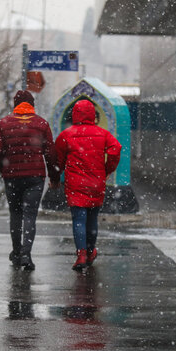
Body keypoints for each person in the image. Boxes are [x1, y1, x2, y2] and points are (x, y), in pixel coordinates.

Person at [0, 90, 59, 270]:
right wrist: (54, 176)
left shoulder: (4, 124)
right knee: (30, 215)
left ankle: (16, 252)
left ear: (15, 104)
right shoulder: (41, 124)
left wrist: (3, 167)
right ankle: (26, 255)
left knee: (15, 213)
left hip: (12, 176)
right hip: (35, 177)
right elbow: (50, 154)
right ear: (32, 104)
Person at [54, 99, 122, 271]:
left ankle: (81, 254)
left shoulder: (66, 135)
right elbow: (116, 149)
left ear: (75, 114)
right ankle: (91, 251)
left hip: (76, 183)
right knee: (92, 219)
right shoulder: (103, 134)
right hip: (96, 182)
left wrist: (55, 176)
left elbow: (57, 161)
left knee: (78, 219)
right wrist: (107, 169)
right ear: (93, 115)